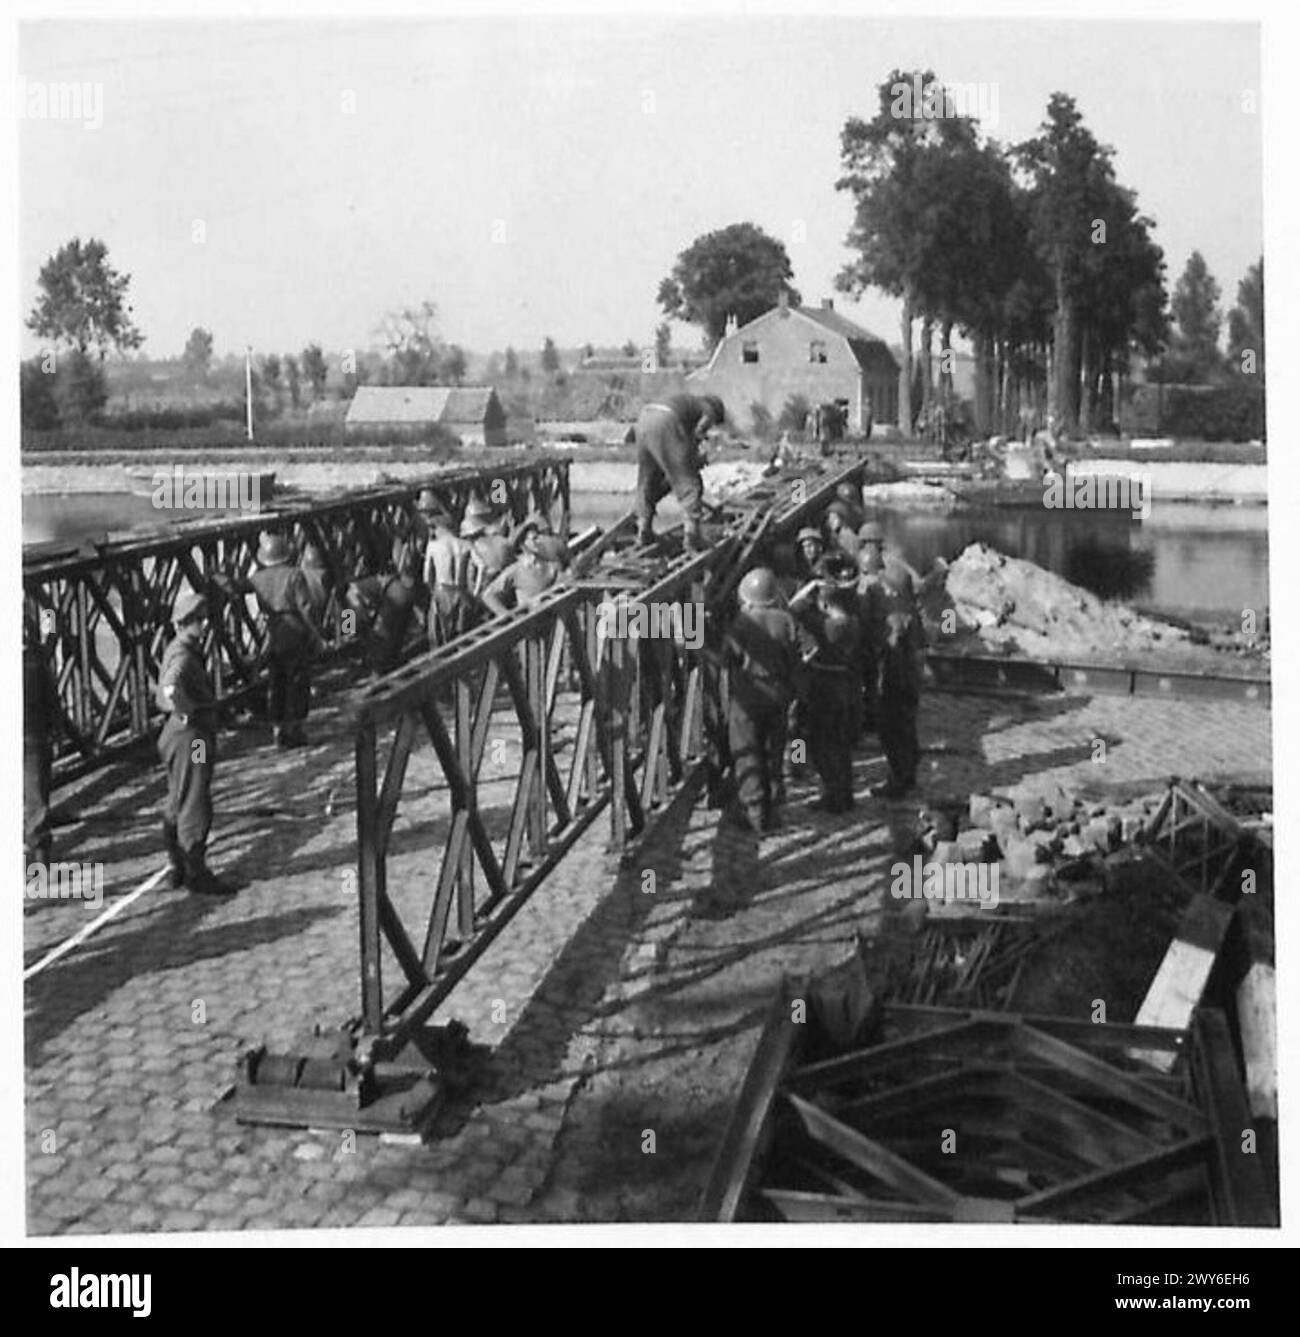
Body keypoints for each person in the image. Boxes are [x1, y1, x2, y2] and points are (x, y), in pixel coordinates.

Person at [156, 588, 236, 896]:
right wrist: (186, 710)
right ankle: (195, 871)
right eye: (197, 620)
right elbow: (169, 689)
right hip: (193, 738)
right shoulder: (184, 654)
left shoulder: (177, 647)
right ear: (184, 622)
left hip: (177, 735)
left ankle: (177, 866)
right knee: (195, 798)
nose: (203, 626)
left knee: (178, 796)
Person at [722, 567, 810, 834]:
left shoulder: (742, 622)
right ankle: (774, 807)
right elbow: (801, 655)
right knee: (775, 751)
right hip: (780, 696)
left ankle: (755, 813)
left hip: (749, 697)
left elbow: (728, 658)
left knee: (747, 753)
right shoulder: (787, 620)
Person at [220, 532, 326, 748]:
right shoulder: (295, 575)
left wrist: (218, 578)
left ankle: (278, 729)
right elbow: (305, 608)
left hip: (274, 633)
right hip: (295, 631)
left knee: (277, 681)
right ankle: (296, 729)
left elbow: (236, 587)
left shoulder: (258, 578)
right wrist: (316, 634)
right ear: (286, 555)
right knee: (298, 681)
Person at [790, 574, 863, 814]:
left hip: (824, 687)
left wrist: (810, 587)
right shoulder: (851, 622)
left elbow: (794, 608)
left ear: (824, 604)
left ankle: (831, 794)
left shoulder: (827, 625)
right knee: (840, 746)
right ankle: (844, 794)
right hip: (845, 686)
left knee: (821, 743)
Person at [634, 393, 726, 550]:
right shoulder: (708, 410)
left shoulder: (687, 403)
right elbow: (698, 433)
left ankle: (643, 529)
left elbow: (680, 447)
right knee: (689, 483)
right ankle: (692, 537)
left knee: (647, 479)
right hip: (666, 421)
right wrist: (696, 459)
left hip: (644, 419)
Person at [873, 563, 927, 799]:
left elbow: (893, 651)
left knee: (892, 731)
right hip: (912, 681)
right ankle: (908, 774)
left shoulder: (896, 618)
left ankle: (899, 780)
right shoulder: (913, 612)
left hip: (897, 681)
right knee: (906, 728)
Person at [345, 538, 422, 676]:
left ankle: (379, 670)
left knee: (380, 636)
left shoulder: (349, 598)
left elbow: (354, 624)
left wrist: (352, 633)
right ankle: (392, 662)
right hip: (401, 592)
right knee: (396, 633)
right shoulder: (360, 586)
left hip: (393, 595)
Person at [481, 517, 566, 616]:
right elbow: (488, 595)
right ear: (523, 545)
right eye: (533, 539)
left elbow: (564, 580)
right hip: (529, 623)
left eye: (538, 537)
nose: (538, 541)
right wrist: (506, 615)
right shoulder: (516, 570)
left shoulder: (551, 563)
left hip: (552, 618)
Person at [23, 625, 57, 866]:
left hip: (32, 734)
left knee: (36, 798)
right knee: (36, 794)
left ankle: (39, 855)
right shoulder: (35, 655)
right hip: (32, 734)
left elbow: (50, 697)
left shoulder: (36, 655)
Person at [423, 507, 475, 647]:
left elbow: (427, 577)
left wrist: (433, 592)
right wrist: (474, 593)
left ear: (440, 528)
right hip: (461, 592)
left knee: (439, 638)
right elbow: (478, 568)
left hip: (441, 590)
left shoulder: (433, 546)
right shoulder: (465, 544)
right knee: (463, 638)